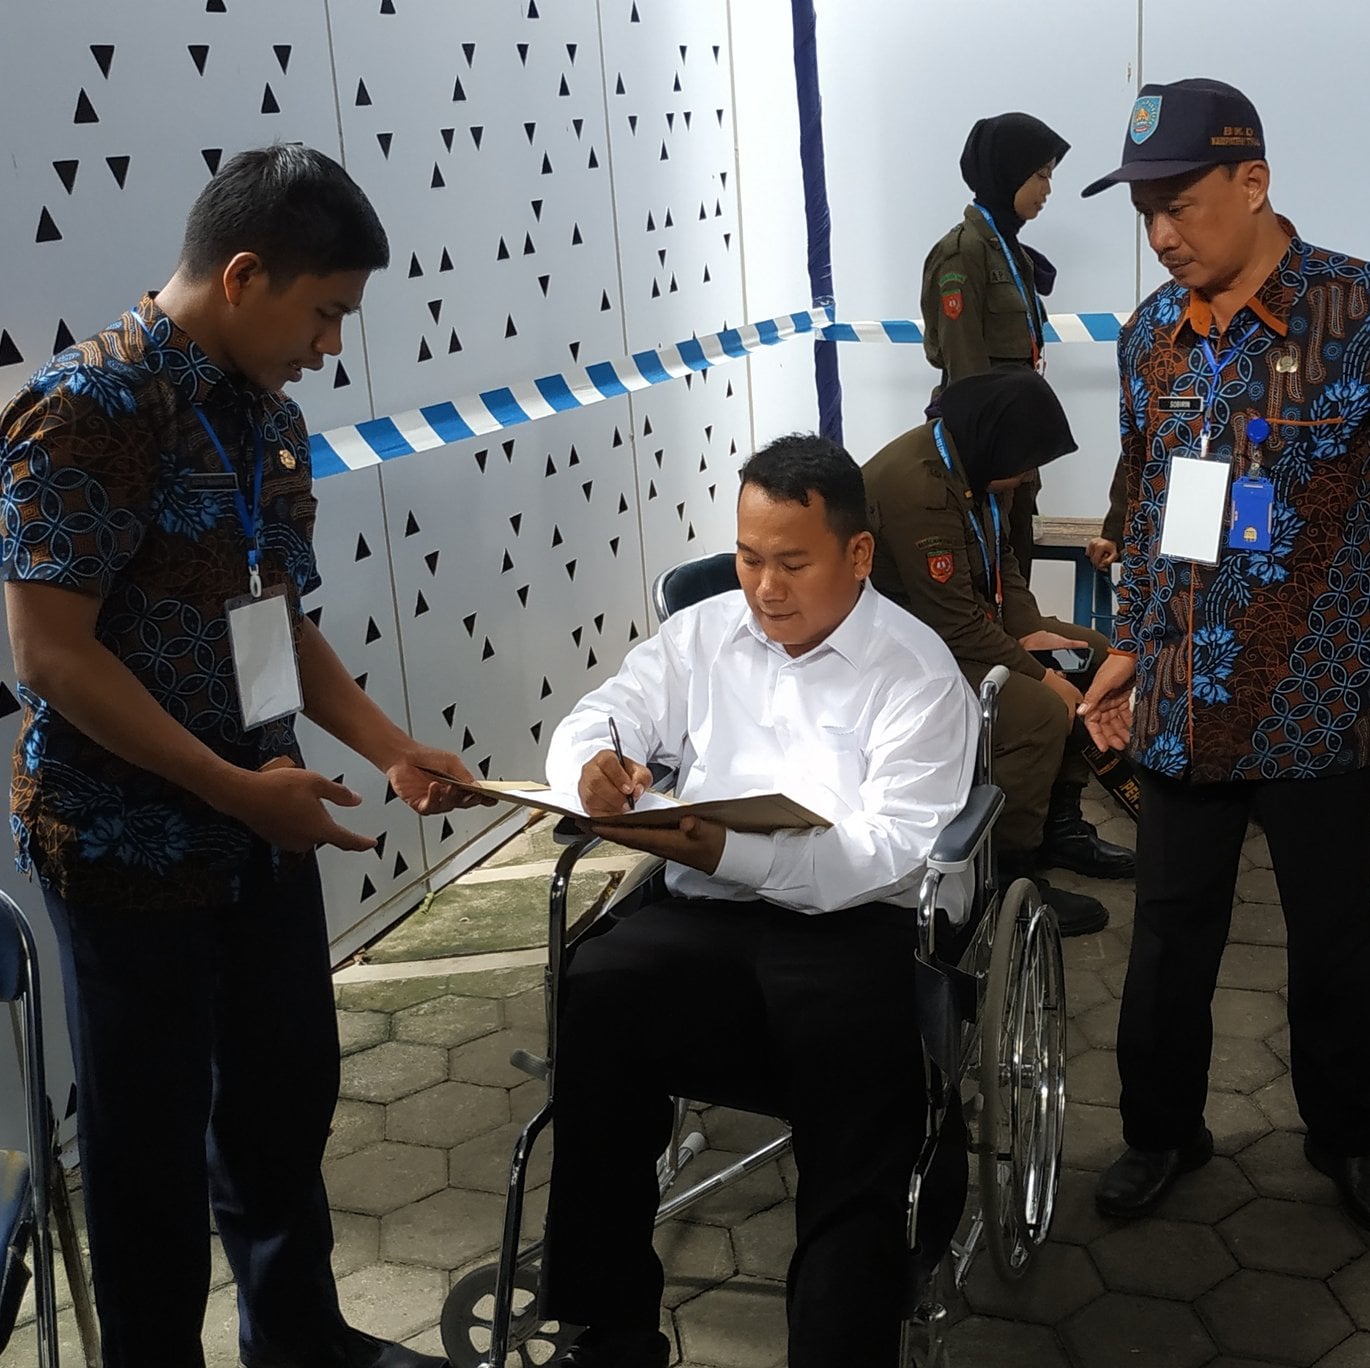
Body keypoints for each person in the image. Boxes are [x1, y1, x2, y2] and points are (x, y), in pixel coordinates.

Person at [0, 145, 477, 1368]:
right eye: (323, 313)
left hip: (264, 819)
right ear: (246, 273)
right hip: (128, 845)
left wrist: (390, 748)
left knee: (282, 1104)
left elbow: (274, 623)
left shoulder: (268, 418)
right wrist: (230, 792)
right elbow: (50, 654)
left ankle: (299, 1343)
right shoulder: (87, 408)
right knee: (147, 1155)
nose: (330, 344)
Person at [1074, 79, 1370, 1236]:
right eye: (1144, 212)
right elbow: (1143, 501)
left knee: (1331, 943)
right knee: (1167, 939)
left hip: (1320, 698)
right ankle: (1160, 1132)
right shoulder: (1149, 337)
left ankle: (1348, 1142)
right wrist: (1128, 641)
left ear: (1251, 182)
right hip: (1179, 699)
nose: (1160, 234)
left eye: (1179, 204)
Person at [536, 435, 979, 1368]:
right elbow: (602, 711)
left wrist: (729, 849)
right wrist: (594, 765)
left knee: (859, 1067)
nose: (765, 588)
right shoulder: (703, 636)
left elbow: (887, 849)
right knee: (598, 988)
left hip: (854, 928)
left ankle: (839, 1346)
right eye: (747, 558)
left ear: (858, 555)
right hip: (706, 915)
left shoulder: (916, 671)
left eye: (792, 563)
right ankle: (609, 1331)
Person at [866, 368, 1132, 938]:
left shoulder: (978, 463)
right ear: (996, 441)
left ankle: (1060, 828)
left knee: (1091, 653)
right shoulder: (919, 489)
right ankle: (1006, 877)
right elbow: (953, 622)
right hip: (903, 651)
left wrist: (1032, 633)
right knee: (1040, 711)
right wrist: (1039, 673)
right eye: (1027, 462)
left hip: (955, 627)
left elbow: (1003, 563)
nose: (1030, 475)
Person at [920, 112, 1070, 584]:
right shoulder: (962, 254)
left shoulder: (1010, 251)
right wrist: (985, 464)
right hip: (984, 454)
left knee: (1015, 571)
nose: (1047, 189)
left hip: (1014, 445)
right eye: (1040, 175)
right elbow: (966, 369)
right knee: (985, 579)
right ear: (1008, 173)